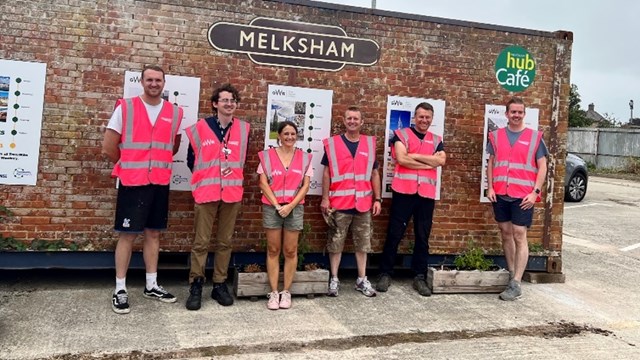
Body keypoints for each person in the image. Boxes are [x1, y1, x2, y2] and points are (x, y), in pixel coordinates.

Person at [102, 65, 183, 314]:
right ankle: (120, 289)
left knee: (154, 234)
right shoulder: (125, 107)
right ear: (142, 81)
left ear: (164, 82)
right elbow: (108, 147)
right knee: (127, 235)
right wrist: (128, 166)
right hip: (133, 181)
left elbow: (174, 146)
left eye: (158, 80)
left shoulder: (174, 112)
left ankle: (151, 284)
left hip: (159, 181)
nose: (154, 84)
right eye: (149, 79)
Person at [184, 84, 250, 310]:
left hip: (231, 193)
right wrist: (207, 177)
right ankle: (196, 284)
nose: (229, 104)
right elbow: (191, 160)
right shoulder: (201, 128)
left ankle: (219, 284)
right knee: (201, 242)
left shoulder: (243, 129)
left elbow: (242, 159)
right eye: (224, 100)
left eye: (232, 100)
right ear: (215, 104)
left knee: (225, 242)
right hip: (206, 191)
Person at [376, 102, 446, 296]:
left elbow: (441, 161)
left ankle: (419, 277)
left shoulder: (436, 139)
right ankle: (384, 273)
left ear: (432, 119)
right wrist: (427, 162)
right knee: (394, 233)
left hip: (425, 195)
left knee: (423, 237)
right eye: (421, 116)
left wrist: (413, 156)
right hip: (403, 191)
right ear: (414, 117)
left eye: (427, 117)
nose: (424, 120)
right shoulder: (401, 134)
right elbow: (402, 159)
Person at [486, 97, 548, 301]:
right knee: (505, 233)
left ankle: (517, 283)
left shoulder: (535, 137)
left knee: (519, 234)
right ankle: (512, 274)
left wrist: (535, 193)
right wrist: (490, 187)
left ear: (524, 114)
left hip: (523, 195)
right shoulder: (495, 136)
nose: (516, 115)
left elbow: (543, 167)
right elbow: (491, 163)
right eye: (513, 112)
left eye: (520, 112)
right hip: (501, 193)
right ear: (506, 114)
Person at [320, 106, 381, 298]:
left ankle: (361, 279)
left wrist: (377, 199)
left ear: (362, 122)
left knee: (363, 244)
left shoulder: (370, 144)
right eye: (349, 118)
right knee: (335, 243)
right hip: (340, 202)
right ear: (344, 121)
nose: (352, 121)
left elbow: (374, 173)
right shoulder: (333, 144)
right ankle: (334, 279)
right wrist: (325, 198)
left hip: (363, 203)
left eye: (356, 118)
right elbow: (327, 172)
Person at [258, 121, 312, 310]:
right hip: (272, 207)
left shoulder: (305, 158)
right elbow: (263, 183)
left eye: (293, 134)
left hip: (294, 208)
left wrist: (290, 206)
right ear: (278, 136)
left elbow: (305, 186)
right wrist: (277, 205)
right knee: (273, 250)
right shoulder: (267, 156)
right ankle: (273, 292)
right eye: (286, 134)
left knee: (290, 251)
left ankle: (286, 292)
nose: (289, 137)